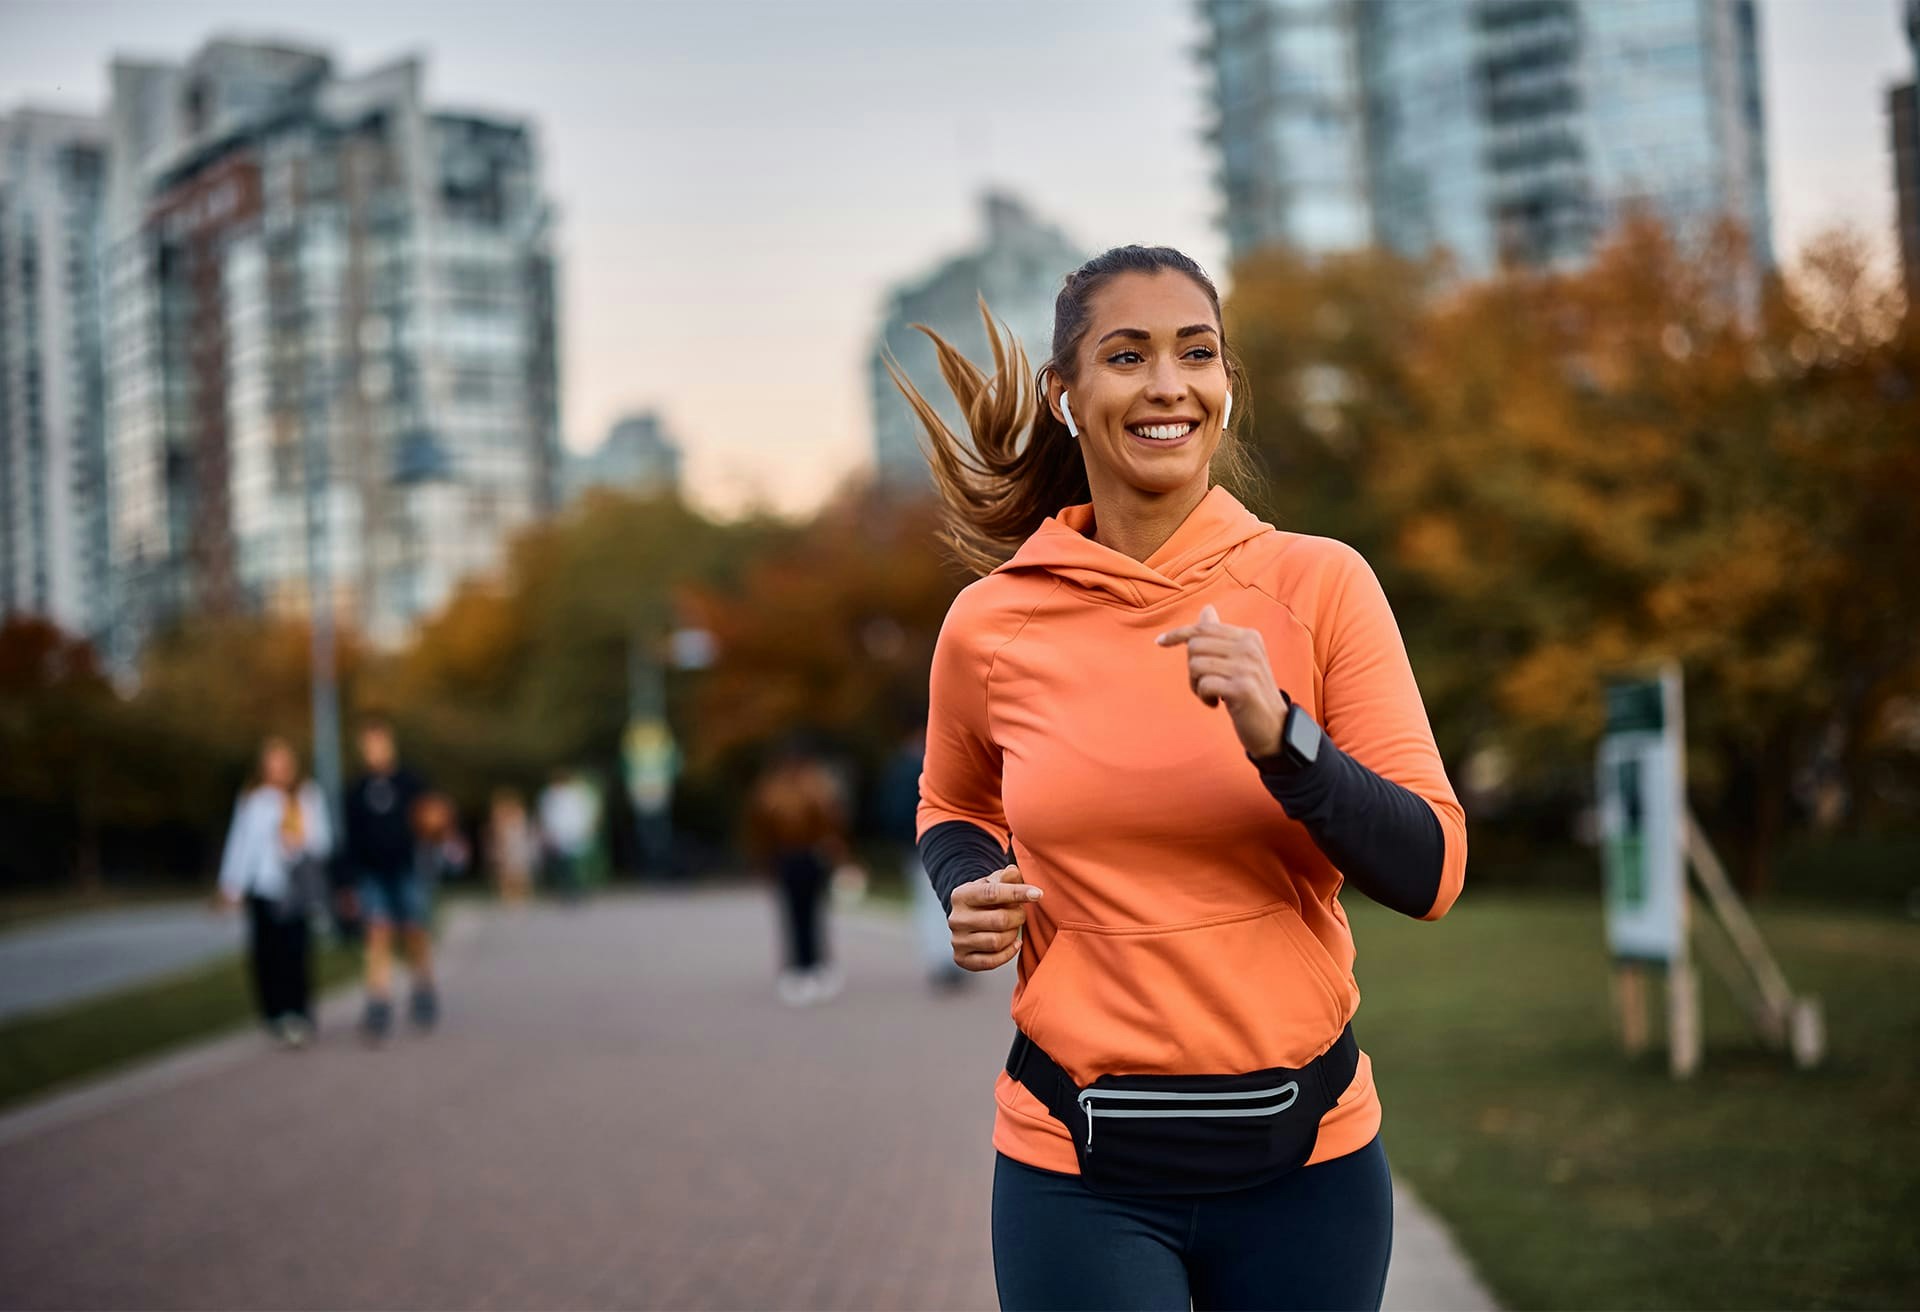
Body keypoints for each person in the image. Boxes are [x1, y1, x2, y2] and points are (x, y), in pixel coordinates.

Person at [897, 246, 1468, 1310]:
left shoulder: (1320, 584)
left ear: (1226, 388)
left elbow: (1431, 869)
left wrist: (1283, 738)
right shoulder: (992, 622)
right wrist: (968, 883)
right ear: (1068, 396)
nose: (1168, 383)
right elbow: (953, 800)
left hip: (1309, 1166)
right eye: (1128, 355)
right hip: (1076, 1166)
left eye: (1195, 353)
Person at [216, 736, 331, 1048]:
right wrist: (231, 884)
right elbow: (240, 843)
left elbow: (322, 841)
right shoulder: (254, 799)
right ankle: (275, 1013)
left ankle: (299, 1012)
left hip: (295, 888)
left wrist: (298, 842)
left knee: (295, 951)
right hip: (263, 887)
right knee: (266, 953)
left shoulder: (306, 796)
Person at [342, 714, 437, 1041]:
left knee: (413, 930)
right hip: (372, 873)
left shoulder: (410, 782)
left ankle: (423, 988)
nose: (375, 750)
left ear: (389, 743)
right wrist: (347, 883)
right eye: (369, 745)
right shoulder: (357, 790)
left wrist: (435, 825)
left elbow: (432, 817)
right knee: (378, 933)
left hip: (406, 868)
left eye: (379, 742)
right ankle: (378, 1001)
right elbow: (350, 840)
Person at [745, 740, 850, 1007]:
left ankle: (810, 965)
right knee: (800, 914)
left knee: (805, 914)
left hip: (802, 858)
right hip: (793, 858)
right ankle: (804, 967)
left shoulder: (783, 790)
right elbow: (762, 830)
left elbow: (830, 825)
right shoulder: (801, 788)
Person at [537, 769, 598, 903]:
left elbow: (585, 812)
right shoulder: (549, 795)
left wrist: (588, 827)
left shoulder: (576, 793)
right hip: (559, 834)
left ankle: (578, 889)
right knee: (564, 865)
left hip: (575, 832)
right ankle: (567, 890)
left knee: (575, 864)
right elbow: (546, 816)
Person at [486, 789, 539, 906]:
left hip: (516, 846)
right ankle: (509, 897)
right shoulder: (501, 815)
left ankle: (518, 897)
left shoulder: (517, 814)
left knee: (518, 871)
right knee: (507, 872)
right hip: (508, 847)